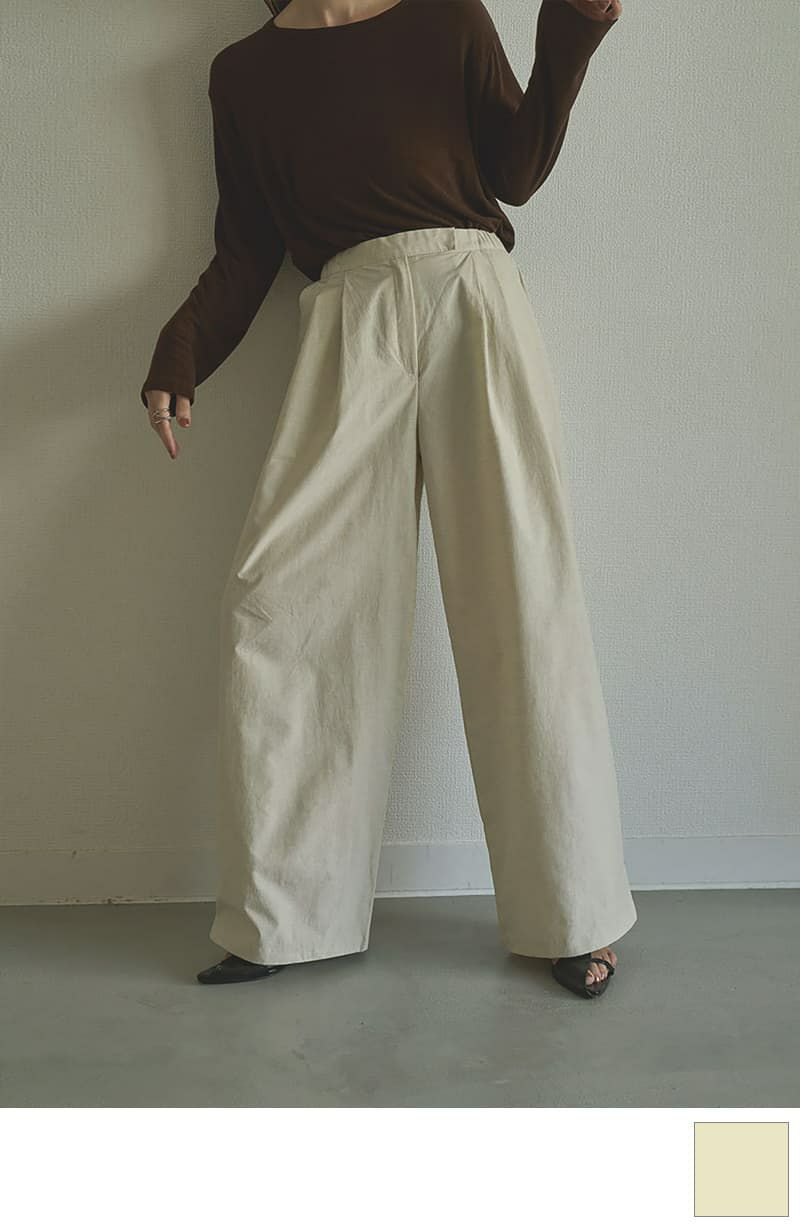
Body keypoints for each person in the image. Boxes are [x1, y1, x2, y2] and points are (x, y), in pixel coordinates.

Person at [140, 0, 636, 1000]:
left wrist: (570, 33)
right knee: (282, 606)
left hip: (470, 295)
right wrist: (181, 347)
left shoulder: (444, 16)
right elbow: (248, 246)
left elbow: (513, 170)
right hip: (345, 318)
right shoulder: (244, 74)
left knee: (520, 595)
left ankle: (572, 913)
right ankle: (285, 916)